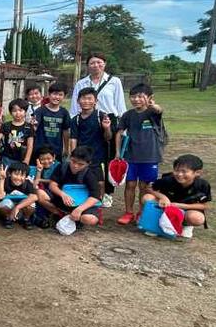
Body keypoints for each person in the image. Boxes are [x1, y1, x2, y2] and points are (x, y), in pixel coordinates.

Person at [70, 52, 127, 208]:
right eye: (92, 63)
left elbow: (120, 105)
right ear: (88, 65)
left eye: (99, 62)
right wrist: (76, 121)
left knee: (107, 158)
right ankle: (85, 188)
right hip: (85, 118)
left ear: (104, 64)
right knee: (85, 156)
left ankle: (107, 193)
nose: (96, 65)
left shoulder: (114, 81)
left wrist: (121, 127)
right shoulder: (81, 83)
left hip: (108, 120)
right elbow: (74, 106)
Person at [115, 83, 164, 225]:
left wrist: (154, 106)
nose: (136, 99)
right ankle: (128, 212)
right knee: (130, 185)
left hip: (150, 157)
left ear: (150, 97)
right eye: (133, 96)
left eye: (140, 96)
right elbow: (119, 133)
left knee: (145, 186)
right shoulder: (128, 115)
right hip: (131, 156)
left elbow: (159, 110)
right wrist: (118, 152)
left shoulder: (152, 113)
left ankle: (142, 212)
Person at [143, 154, 211, 238]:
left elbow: (204, 205)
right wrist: (163, 197)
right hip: (166, 207)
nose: (179, 174)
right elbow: (149, 188)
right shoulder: (167, 179)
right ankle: (155, 224)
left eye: (184, 171)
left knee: (197, 218)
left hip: (186, 210)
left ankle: (186, 225)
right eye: (176, 170)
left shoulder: (202, 185)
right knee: (147, 198)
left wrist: (181, 206)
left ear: (197, 173)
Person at [37, 146, 102, 229]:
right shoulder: (62, 167)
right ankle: (60, 214)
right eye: (73, 161)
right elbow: (52, 185)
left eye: (80, 164)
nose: (75, 166)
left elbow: (95, 196)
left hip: (82, 202)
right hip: (62, 199)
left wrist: (79, 209)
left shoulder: (91, 174)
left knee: (90, 219)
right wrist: (62, 194)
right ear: (70, 158)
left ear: (88, 164)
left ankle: (77, 220)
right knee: (40, 194)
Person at [69, 87, 114, 200]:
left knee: (100, 183)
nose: (86, 101)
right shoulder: (75, 120)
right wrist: (73, 156)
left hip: (98, 157)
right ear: (78, 101)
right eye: (83, 98)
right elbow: (73, 138)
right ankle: (82, 202)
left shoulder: (101, 116)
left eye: (89, 99)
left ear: (95, 101)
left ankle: (99, 203)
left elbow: (108, 137)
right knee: (81, 181)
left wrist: (107, 128)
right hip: (81, 157)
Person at [31, 83, 71, 161]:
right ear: (49, 95)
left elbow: (66, 131)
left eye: (60, 95)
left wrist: (66, 148)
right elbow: (34, 127)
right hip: (40, 150)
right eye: (54, 94)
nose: (57, 97)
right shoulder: (40, 111)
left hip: (56, 150)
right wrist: (33, 125)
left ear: (64, 96)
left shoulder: (64, 113)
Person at [0, 162, 38, 230]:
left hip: (22, 207)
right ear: (10, 174)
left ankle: (26, 219)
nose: (18, 178)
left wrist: (17, 207)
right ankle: (8, 218)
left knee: (31, 204)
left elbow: (34, 197)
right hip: (9, 206)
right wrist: (1, 179)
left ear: (26, 177)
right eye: (16, 174)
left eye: (22, 175)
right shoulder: (6, 181)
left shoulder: (27, 183)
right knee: (4, 204)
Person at [0, 99, 34, 167]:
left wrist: (26, 160)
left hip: (21, 159)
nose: (18, 113)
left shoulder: (29, 127)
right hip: (7, 158)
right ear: (10, 112)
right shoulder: (6, 125)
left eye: (20, 110)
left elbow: (30, 145)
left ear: (25, 112)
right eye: (14, 111)